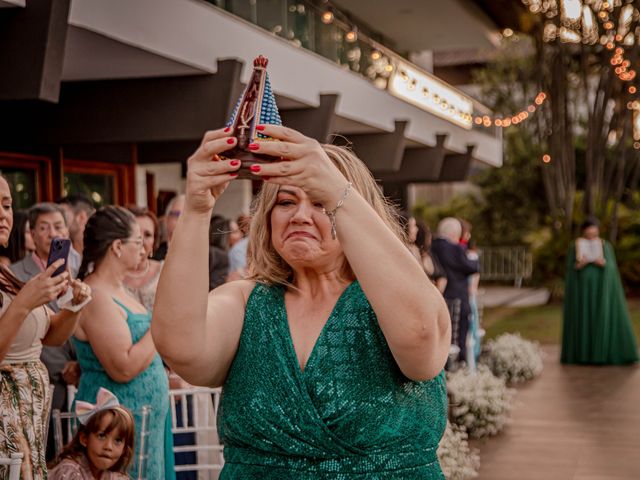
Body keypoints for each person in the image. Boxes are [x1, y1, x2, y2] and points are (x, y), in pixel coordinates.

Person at [153, 125, 451, 478]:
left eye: (321, 203)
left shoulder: (390, 299)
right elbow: (180, 348)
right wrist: (197, 208)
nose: (299, 215)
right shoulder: (248, 300)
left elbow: (423, 345)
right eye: (286, 202)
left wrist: (334, 186)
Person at [0, 175, 92, 480]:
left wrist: (73, 307)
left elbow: (50, 335)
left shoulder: (4, 272)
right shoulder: (16, 274)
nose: (3, 214)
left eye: (8, 205)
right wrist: (24, 302)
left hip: (30, 419)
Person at [73, 206, 175, 479]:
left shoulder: (120, 290)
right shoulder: (96, 294)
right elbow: (123, 366)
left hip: (144, 421)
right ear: (118, 247)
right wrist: (161, 323)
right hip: (119, 428)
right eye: (138, 241)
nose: (144, 249)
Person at [10, 202, 82, 460]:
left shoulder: (82, 268)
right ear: (31, 233)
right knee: (47, 454)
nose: (52, 233)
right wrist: (61, 368)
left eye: (58, 226)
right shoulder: (15, 274)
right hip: (47, 378)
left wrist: (80, 364)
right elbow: (24, 328)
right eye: (44, 227)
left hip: (82, 375)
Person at [561, 218, 639, 364]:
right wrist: (579, 265)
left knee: (601, 314)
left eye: (594, 228)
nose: (591, 231)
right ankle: (583, 355)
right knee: (584, 315)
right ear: (584, 230)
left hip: (601, 290)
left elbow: (612, 269)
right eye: (588, 228)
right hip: (582, 291)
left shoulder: (605, 245)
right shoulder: (574, 245)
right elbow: (570, 270)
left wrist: (603, 263)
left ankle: (602, 353)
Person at [48, 388, 134, 480]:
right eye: (101, 436)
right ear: (84, 438)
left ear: (124, 449)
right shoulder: (70, 472)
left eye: (118, 440)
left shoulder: (114, 476)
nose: (108, 447)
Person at [430, 217, 479, 363]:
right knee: (459, 338)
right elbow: (472, 267)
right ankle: (460, 367)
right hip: (458, 297)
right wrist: (474, 258)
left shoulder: (432, 246)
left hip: (440, 297)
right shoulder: (455, 248)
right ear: (453, 234)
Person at [124, 206, 164, 313]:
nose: (140, 240)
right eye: (134, 233)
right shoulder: (109, 275)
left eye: (147, 235)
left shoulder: (165, 271)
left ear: (154, 242)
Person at [153, 195, 185, 261]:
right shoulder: (154, 258)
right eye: (177, 215)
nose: (183, 220)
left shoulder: (210, 257)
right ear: (167, 219)